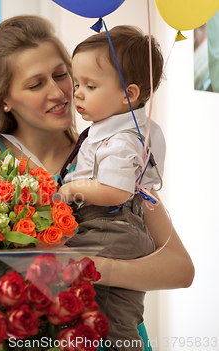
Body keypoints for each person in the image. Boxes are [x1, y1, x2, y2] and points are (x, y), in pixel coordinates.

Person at [0, 14, 194, 350]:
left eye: (63, 76)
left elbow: (180, 269)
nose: (60, 92)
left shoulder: (112, 157)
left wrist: (91, 268)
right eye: (36, 84)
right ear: (4, 97)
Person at [55, 25, 165, 350]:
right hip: (108, 227)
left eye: (89, 85)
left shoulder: (120, 141)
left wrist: (69, 190)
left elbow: (115, 191)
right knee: (102, 314)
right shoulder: (108, 129)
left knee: (113, 322)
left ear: (128, 94)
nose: (76, 93)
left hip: (112, 228)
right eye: (76, 83)